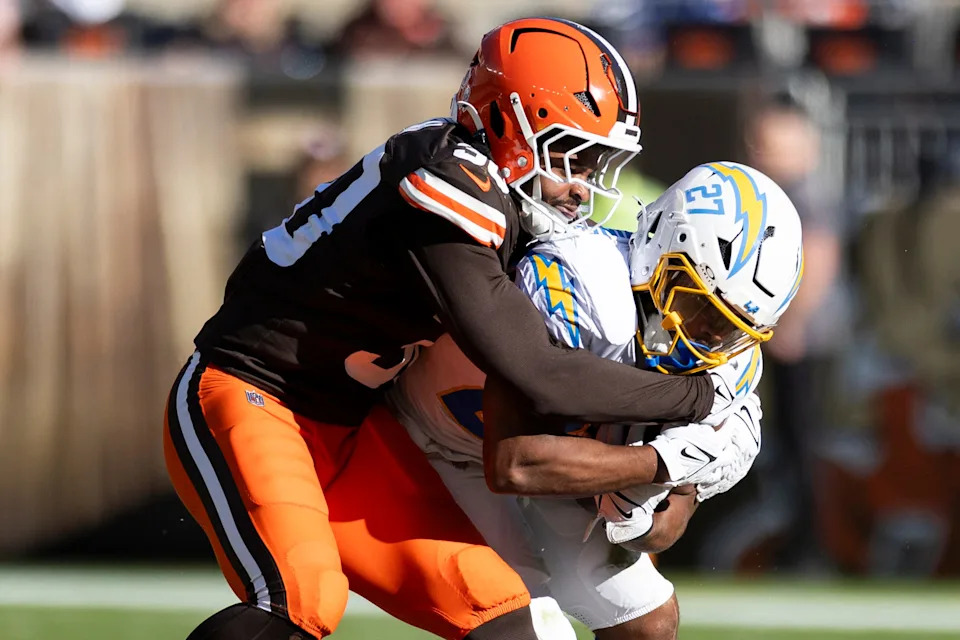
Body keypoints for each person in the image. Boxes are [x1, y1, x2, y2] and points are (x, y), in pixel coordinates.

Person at [162, 17, 747, 640]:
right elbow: (539, 373)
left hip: (354, 430)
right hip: (254, 397)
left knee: (508, 619)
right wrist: (703, 402)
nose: (584, 184)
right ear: (509, 124)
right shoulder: (447, 182)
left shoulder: (494, 196)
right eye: (574, 156)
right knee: (299, 599)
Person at [388, 160, 805, 639]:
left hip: (541, 480)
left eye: (727, 327)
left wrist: (645, 503)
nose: (703, 337)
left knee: (649, 623)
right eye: (695, 304)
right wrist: (657, 463)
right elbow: (516, 464)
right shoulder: (584, 280)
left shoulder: (731, 363)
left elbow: (664, 529)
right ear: (662, 248)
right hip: (430, 441)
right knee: (531, 631)